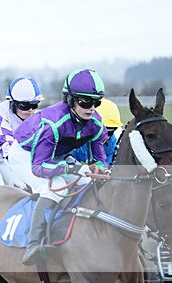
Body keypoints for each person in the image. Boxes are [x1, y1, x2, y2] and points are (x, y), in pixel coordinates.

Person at [7, 68, 109, 265]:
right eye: (85, 102)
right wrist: (70, 168)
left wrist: (101, 169)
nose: (91, 108)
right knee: (53, 187)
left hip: (56, 155)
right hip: (25, 154)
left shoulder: (95, 123)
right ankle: (33, 243)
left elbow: (100, 159)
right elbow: (39, 167)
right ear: (70, 100)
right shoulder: (53, 124)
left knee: (88, 180)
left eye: (96, 102)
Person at [72, 97, 122, 166]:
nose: (106, 137)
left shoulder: (111, 142)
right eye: (103, 132)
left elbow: (109, 164)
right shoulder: (73, 139)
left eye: (111, 132)